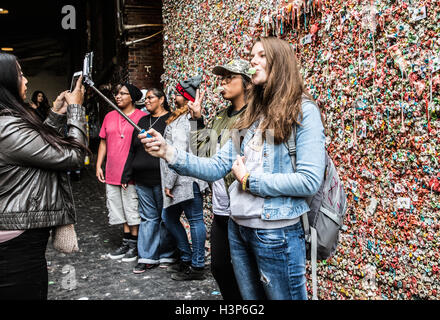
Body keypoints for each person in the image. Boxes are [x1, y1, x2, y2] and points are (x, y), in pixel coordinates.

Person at [139, 37, 326, 300]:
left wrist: (250, 181)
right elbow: (215, 164)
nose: (253, 60)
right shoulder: (253, 117)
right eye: (252, 55)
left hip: (276, 233)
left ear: (279, 63)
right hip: (238, 230)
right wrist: (167, 152)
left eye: (261, 55)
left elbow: (309, 181)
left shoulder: (303, 111)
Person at [0, 53, 88, 300]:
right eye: (19, 74)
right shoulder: (6, 127)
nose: (26, 80)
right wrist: (76, 110)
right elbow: (72, 156)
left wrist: (57, 116)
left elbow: (35, 149)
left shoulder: (8, 122)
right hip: (14, 246)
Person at [187, 59, 251, 298]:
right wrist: (197, 120)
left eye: (228, 79)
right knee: (220, 267)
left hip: (244, 209)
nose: (222, 84)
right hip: (221, 210)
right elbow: (204, 153)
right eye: (220, 80)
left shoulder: (254, 116)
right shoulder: (221, 116)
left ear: (246, 83)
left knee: (248, 272)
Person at [121, 88, 177, 274]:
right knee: (148, 217)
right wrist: (126, 174)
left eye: (151, 97)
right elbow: (132, 149)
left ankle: (166, 254)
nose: (146, 101)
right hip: (142, 179)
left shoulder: (170, 120)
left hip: (162, 179)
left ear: (161, 100)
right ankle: (147, 257)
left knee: (164, 218)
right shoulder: (142, 121)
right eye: (145, 99)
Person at [160, 76, 209, 281]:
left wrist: (169, 182)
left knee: (192, 220)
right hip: (189, 179)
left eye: (179, 94)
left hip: (184, 181)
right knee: (171, 218)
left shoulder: (183, 120)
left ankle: (196, 264)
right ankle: (189, 258)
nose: (175, 96)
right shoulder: (184, 118)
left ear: (187, 97)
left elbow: (176, 153)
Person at [96, 83, 146, 263]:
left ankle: (135, 244)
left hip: (130, 172)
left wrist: (134, 170)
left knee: (132, 208)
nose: (118, 96)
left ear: (132, 97)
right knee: (118, 209)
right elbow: (103, 142)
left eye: (123, 94)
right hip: (112, 171)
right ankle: (126, 242)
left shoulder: (141, 118)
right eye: (117, 94)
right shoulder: (109, 116)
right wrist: (98, 165)